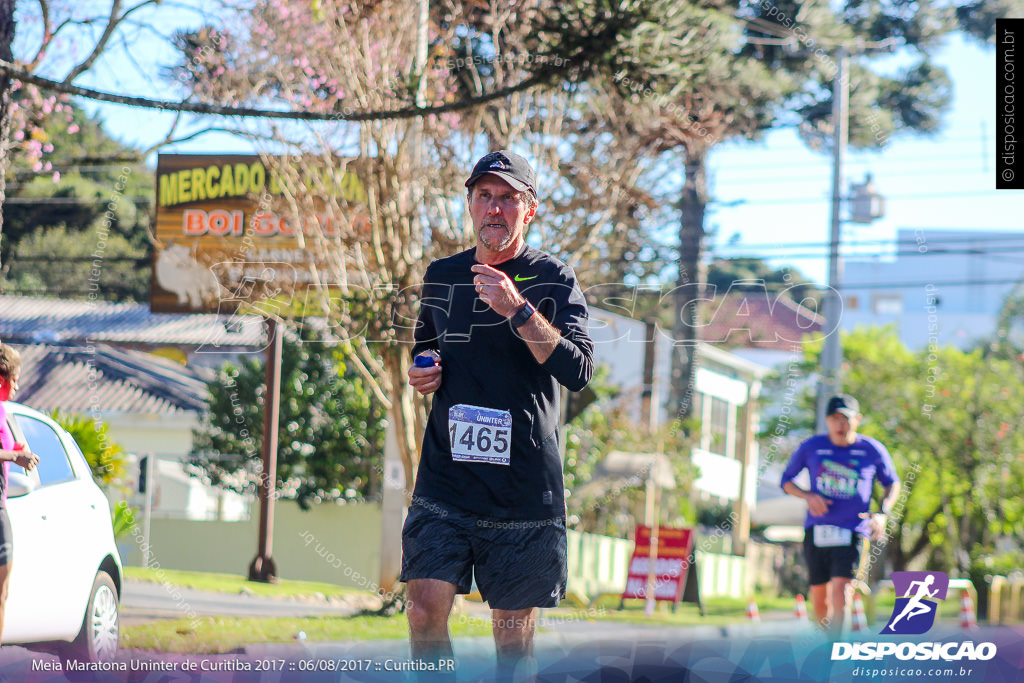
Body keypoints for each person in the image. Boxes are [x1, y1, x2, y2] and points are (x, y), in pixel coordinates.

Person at [403, 150, 593, 678]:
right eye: (484, 195)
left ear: (528, 211)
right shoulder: (442, 275)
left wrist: (518, 310)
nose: (494, 208)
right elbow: (426, 345)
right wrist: (424, 369)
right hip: (447, 480)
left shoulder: (553, 279)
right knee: (422, 611)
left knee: (512, 638)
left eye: (508, 197)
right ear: (468, 203)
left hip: (521, 486)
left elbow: (578, 368)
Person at [781, 394, 900, 635]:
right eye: (835, 419)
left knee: (842, 592)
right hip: (817, 529)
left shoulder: (871, 450)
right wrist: (808, 496)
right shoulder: (812, 447)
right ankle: (825, 644)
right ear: (827, 421)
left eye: (845, 419)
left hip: (853, 529)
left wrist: (882, 513)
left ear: (857, 420)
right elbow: (786, 481)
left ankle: (837, 653)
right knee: (820, 599)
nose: (840, 425)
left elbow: (892, 483)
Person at [0, 344, 40, 645]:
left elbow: (11, 447)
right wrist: (14, 458)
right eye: (15, 379)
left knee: (3, 591)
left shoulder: (5, 413)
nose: (17, 386)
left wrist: (20, 452)